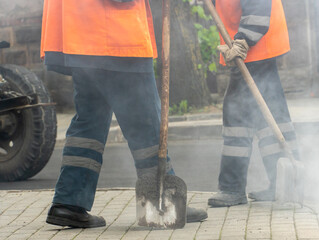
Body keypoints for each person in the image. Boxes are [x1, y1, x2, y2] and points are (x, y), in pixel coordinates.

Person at [41, 0, 207, 228]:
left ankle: (68, 203)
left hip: (82, 38)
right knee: (145, 121)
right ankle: (162, 202)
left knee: (89, 121)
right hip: (116, 37)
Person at [208, 0, 301, 207]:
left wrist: (243, 41)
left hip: (253, 46)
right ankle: (283, 183)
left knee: (237, 118)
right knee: (269, 118)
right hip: (254, 46)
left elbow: (258, 8)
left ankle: (232, 189)